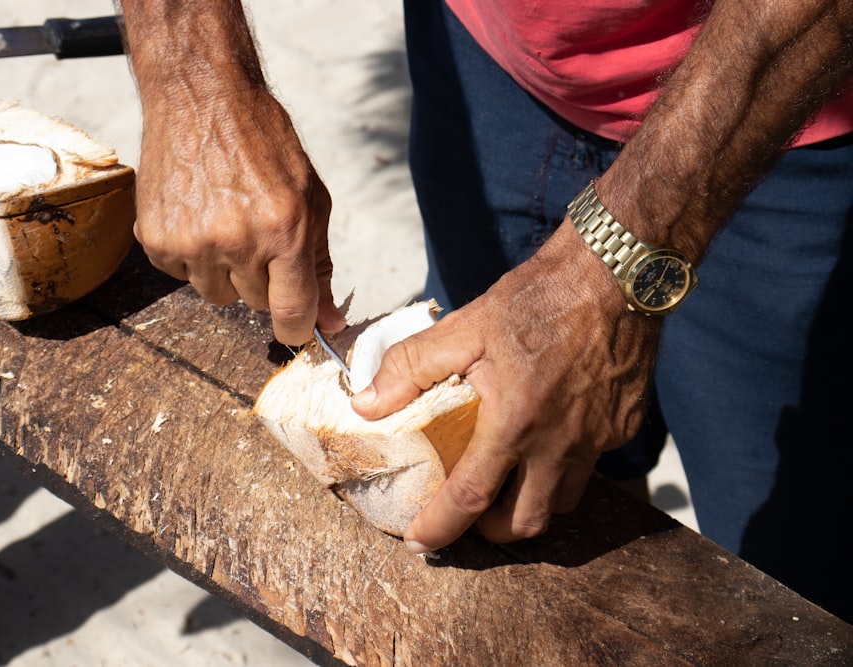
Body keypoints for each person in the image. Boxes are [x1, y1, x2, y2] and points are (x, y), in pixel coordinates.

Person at [117, 0, 853, 620]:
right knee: (516, 494)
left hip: (797, 95)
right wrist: (190, 67)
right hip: (486, 55)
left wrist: (617, 257)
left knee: (794, 592)